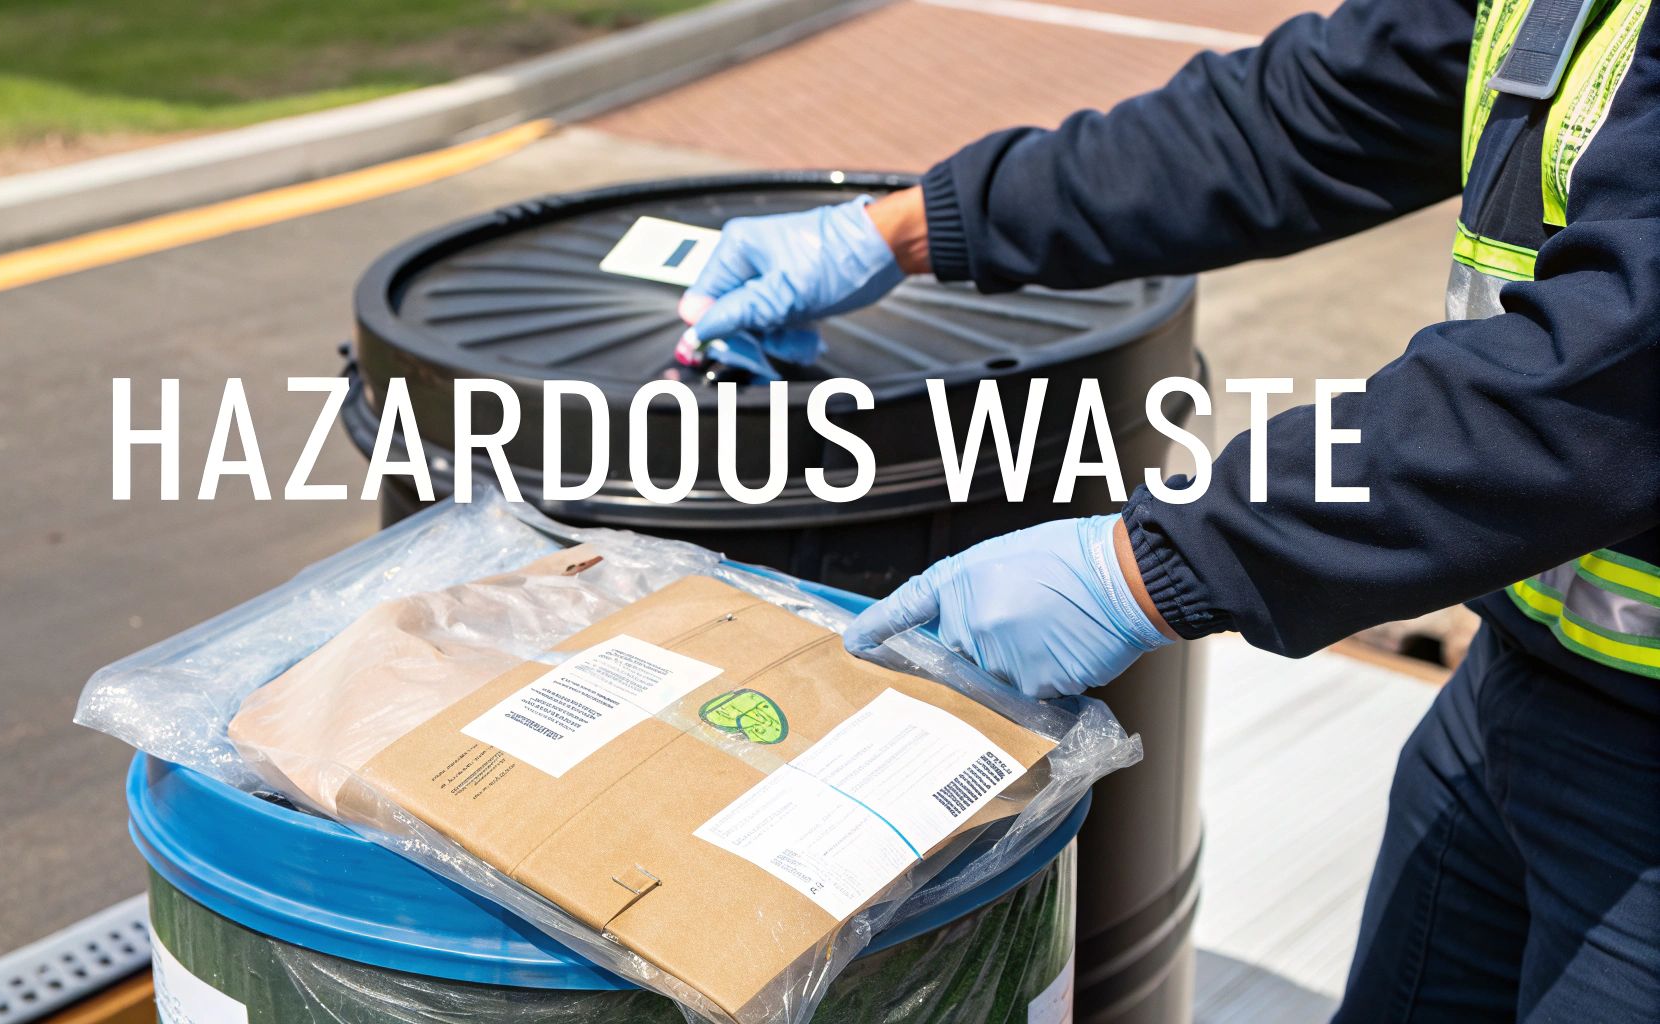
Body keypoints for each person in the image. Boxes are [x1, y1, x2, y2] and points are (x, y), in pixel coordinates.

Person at [677, 0, 1660, 1019]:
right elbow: (1308, 114)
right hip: (1517, 680)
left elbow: (1612, 381)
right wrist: (909, 226)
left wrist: (1149, 567)